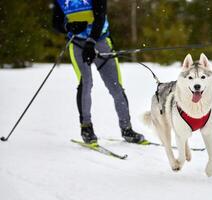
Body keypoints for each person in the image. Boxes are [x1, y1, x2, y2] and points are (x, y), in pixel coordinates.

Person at [52, 0, 145, 144]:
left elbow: (100, 17)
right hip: (76, 43)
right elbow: (56, 23)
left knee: (115, 86)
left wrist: (91, 42)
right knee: (86, 83)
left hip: (100, 40)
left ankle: (127, 129)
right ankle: (86, 128)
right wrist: (68, 26)